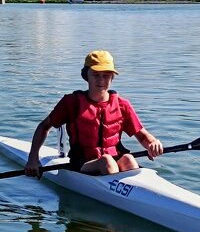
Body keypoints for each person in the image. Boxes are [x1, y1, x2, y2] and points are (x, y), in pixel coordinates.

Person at [25, 50, 163, 178]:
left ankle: (132, 193)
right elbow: (44, 127)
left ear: (112, 77)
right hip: (82, 163)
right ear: (86, 75)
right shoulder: (71, 103)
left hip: (114, 160)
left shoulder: (122, 105)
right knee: (106, 161)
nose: (101, 81)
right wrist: (33, 158)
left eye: (106, 76)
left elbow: (141, 135)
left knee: (128, 159)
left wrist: (152, 143)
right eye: (96, 75)